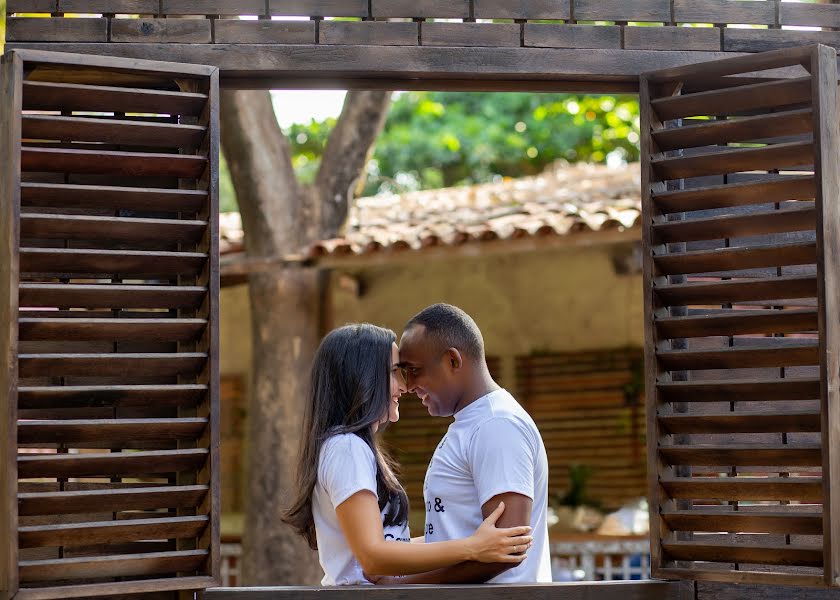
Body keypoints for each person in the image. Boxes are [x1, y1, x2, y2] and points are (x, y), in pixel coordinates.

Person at [282, 323, 533, 586]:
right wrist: (471, 547)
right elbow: (373, 556)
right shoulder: (347, 448)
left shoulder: (349, 447)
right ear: (363, 377)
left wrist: (466, 539)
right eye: (395, 372)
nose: (405, 385)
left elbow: (388, 545)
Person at [383, 303, 551, 584]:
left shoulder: (496, 426)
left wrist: (401, 586)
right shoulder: (475, 423)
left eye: (414, 370)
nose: (409, 385)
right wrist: (386, 556)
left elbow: (508, 548)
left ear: (453, 361)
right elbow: (455, 536)